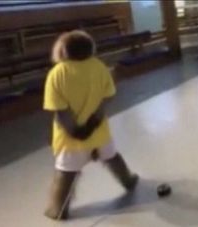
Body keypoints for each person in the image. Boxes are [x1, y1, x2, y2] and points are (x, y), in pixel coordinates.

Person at [43, 30, 138, 220]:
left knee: (65, 173)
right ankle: (128, 181)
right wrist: (93, 124)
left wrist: (76, 131)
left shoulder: (56, 73)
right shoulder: (99, 66)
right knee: (112, 157)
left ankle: (58, 209)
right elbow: (107, 97)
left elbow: (60, 110)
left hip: (70, 137)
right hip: (99, 131)